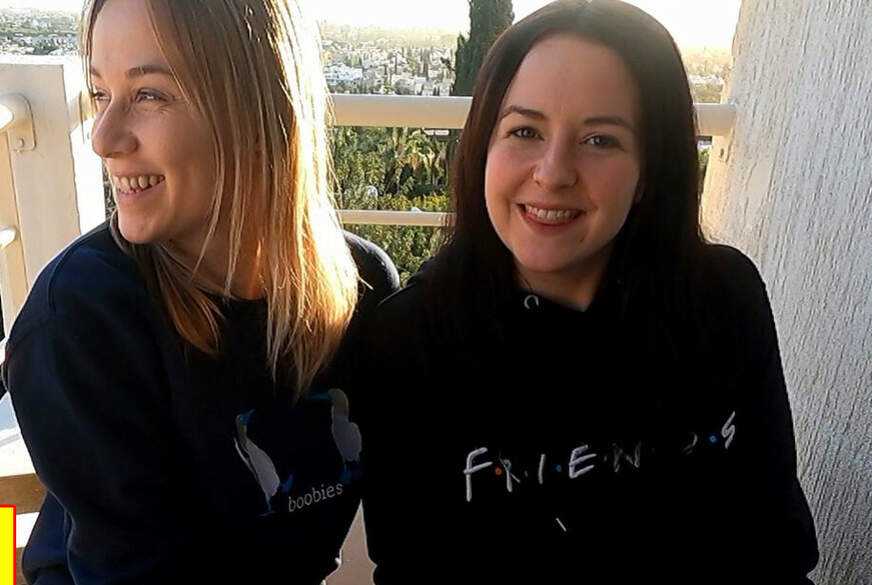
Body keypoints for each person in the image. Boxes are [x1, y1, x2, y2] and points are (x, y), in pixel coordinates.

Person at [357, 1, 818, 583]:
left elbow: (775, 543)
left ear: (650, 170)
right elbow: (412, 567)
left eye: (600, 140)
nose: (553, 173)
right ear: (482, 147)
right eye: (525, 130)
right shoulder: (411, 339)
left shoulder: (723, 298)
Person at [3, 0, 398, 582]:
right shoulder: (83, 316)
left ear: (258, 109)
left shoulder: (362, 285)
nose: (103, 139)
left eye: (149, 95)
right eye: (100, 94)